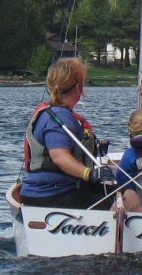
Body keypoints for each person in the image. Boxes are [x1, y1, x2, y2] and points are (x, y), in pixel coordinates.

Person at [20, 57, 114, 209]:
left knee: (120, 193)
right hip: (53, 196)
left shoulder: (58, 113)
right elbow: (59, 157)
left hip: (57, 190)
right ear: (78, 87)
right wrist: (90, 174)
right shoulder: (59, 117)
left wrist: (96, 150)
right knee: (128, 200)